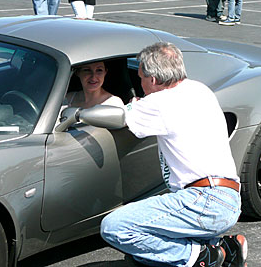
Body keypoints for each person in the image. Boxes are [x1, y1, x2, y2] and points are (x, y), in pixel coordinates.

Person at [100, 42, 247, 267]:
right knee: (143, 255)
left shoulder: (158, 103)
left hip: (202, 201)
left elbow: (117, 115)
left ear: (154, 80)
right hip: (229, 199)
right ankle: (223, 248)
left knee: (115, 227)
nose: (140, 84)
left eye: (141, 78)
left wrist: (77, 112)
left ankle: (204, 256)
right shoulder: (199, 89)